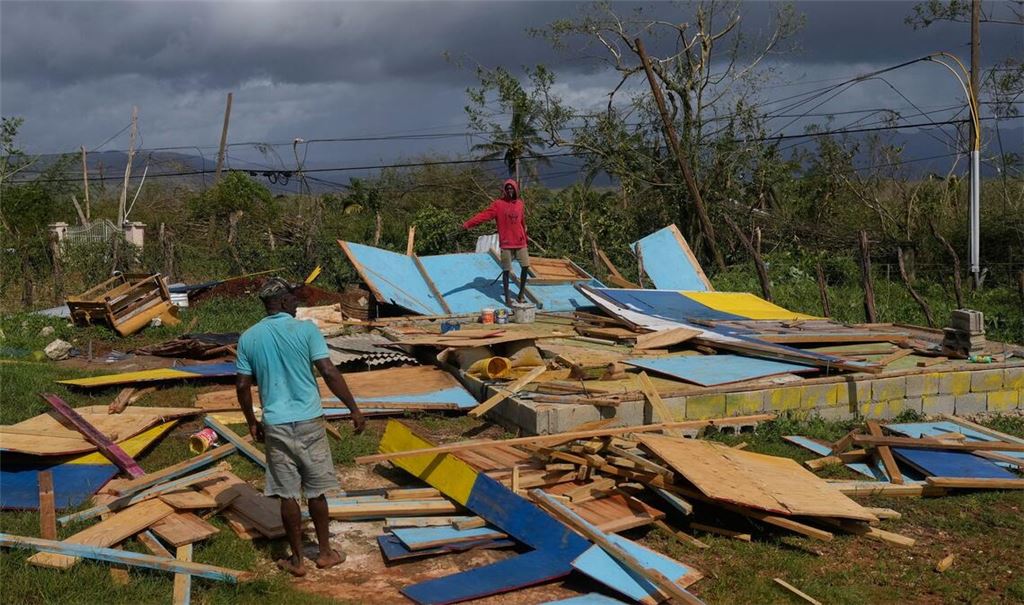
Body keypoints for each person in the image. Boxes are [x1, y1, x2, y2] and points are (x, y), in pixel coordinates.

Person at [235, 277, 365, 577]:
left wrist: (252, 421)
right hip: (309, 421)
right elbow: (328, 371)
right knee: (317, 491)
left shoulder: (249, 338)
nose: (297, 303)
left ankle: (297, 561)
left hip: (276, 424)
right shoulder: (306, 330)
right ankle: (325, 553)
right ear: (282, 301)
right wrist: (354, 408)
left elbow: (242, 385)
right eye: (293, 298)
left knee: (288, 494)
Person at [462, 178, 530, 306]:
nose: (510, 191)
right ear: (505, 190)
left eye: (512, 188)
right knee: (506, 270)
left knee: (525, 266)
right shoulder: (498, 205)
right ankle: (507, 298)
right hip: (507, 243)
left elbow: (522, 222)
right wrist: (467, 224)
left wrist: (525, 238)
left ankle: (521, 295)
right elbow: (483, 216)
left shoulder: (520, 204)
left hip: (520, 242)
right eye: (507, 188)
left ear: (516, 190)